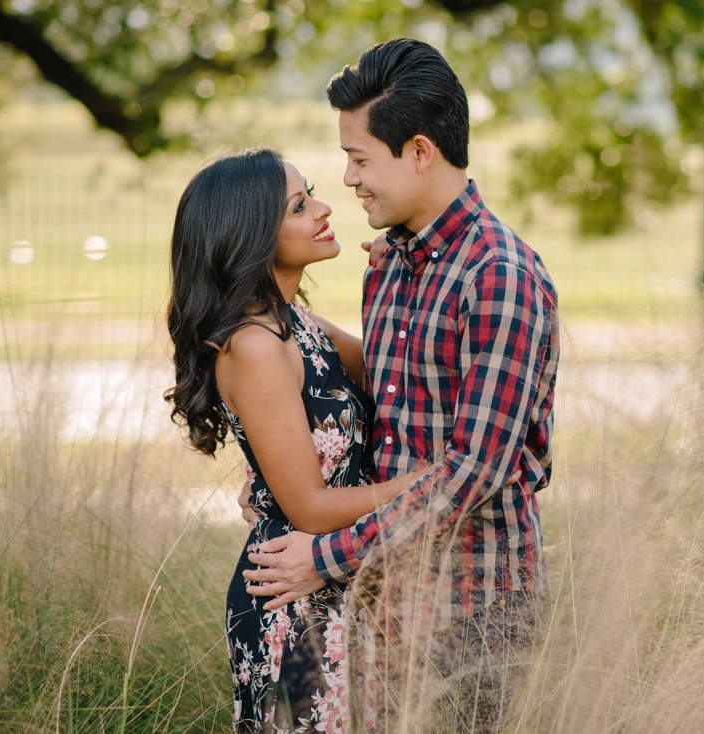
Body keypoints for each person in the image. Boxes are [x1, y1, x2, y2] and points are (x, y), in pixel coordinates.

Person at [242, 38, 560, 730]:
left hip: (470, 612)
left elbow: (473, 473)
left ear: (420, 152)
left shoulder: (499, 277)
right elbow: (380, 411)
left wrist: (325, 556)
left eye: (359, 158)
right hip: (377, 604)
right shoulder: (387, 266)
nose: (348, 179)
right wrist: (283, 472)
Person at [164, 148, 426, 732]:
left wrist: (397, 274)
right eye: (300, 207)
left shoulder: (296, 322)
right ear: (253, 235)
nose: (325, 209)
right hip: (295, 601)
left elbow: (389, 371)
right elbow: (306, 505)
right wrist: (425, 486)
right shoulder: (255, 344)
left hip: (339, 579)